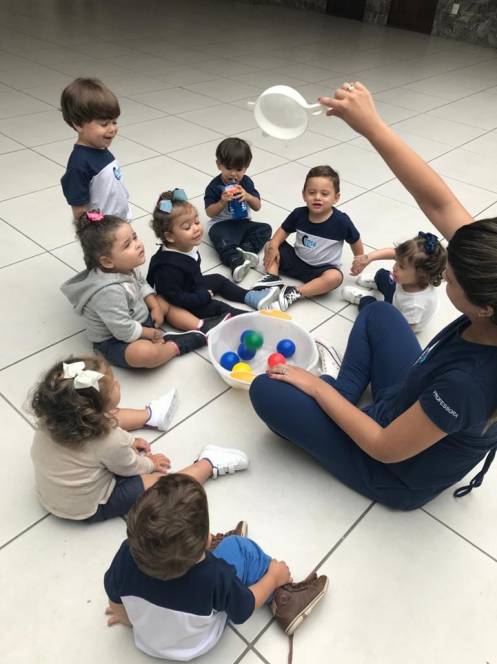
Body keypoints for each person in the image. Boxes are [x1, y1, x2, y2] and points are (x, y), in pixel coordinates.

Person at [249, 81, 497, 511]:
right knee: (381, 314)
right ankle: (345, 396)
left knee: (266, 391)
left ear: (484, 307)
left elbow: (384, 446)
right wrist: (371, 126)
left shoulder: (468, 385)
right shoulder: (490, 273)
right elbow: (439, 204)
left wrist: (317, 389)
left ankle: (336, 399)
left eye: (450, 280)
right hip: (407, 397)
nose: (444, 276)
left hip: (392, 469)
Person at [104, 473, 328, 660]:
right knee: (238, 547)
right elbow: (244, 609)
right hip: (199, 643)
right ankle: (284, 600)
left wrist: (127, 619)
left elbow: (117, 606)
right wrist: (273, 578)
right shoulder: (215, 576)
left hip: (150, 643)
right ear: (207, 539)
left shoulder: (125, 555)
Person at [30, 356, 249, 522]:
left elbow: (100, 437)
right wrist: (150, 463)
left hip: (54, 494)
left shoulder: (53, 417)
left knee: (107, 417)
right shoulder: (109, 440)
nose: (118, 383)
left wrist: (128, 441)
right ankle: (208, 463)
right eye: (113, 385)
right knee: (163, 488)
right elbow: (129, 467)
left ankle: (151, 416)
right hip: (87, 506)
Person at [61, 211, 222, 370]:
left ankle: (200, 326)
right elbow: (124, 330)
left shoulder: (126, 266)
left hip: (139, 319)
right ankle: (174, 346)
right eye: (127, 245)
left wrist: (155, 307)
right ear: (107, 262)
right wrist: (151, 334)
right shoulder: (107, 292)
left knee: (163, 300)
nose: (137, 244)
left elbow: (142, 284)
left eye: (135, 237)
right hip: (116, 340)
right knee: (144, 354)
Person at [147, 189, 280, 318]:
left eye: (197, 222)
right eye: (187, 227)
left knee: (218, 279)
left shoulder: (184, 247)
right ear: (170, 237)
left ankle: (252, 297)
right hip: (181, 304)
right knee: (218, 307)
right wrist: (202, 296)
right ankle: (249, 318)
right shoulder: (167, 268)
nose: (196, 228)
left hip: (191, 286)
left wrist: (199, 290)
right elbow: (176, 298)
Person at [255, 165, 364, 311]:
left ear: (336, 198)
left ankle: (294, 292)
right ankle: (273, 281)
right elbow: (283, 231)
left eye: (324, 194)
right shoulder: (298, 214)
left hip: (321, 270)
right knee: (271, 244)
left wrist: (360, 259)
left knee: (335, 277)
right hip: (296, 260)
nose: (317, 197)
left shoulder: (341, 222)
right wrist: (274, 246)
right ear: (304, 195)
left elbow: (355, 240)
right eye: (312, 192)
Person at [343, 232, 447, 332]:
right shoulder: (412, 278)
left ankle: (365, 299)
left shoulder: (415, 305)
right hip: (397, 296)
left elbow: (403, 331)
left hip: (398, 319)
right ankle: (377, 284)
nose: (394, 267)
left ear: (421, 275)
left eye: (401, 266)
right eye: (397, 261)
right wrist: (368, 258)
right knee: (382, 275)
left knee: (371, 313)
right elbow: (393, 252)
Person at [60, 77, 130, 221]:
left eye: (114, 122)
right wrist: (93, 232)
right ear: (78, 124)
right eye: (104, 124)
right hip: (104, 231)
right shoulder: (79, 164)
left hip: (119, 223)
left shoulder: (100, 149)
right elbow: (79, 212)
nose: (112, 129)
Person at [204, 137, 272, 282]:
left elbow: (257, 206)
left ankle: (247, 249)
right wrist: (222, 202)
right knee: (219, 236)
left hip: (242, 223)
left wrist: (248, 196)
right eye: (229, 168)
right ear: (219, 165)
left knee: (265, 229)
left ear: (246, 167)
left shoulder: (246, 182)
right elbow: (209, 212)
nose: (234, 174)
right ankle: (235, 261)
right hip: (221, 225)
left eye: (239, 169)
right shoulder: (214, 186)